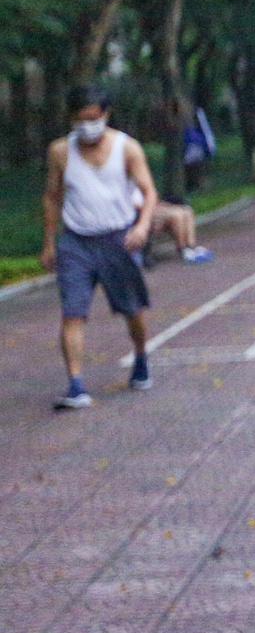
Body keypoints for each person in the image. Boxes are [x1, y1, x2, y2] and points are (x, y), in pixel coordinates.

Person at [41, 85, 159, 409]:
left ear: (105, 115)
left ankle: (140, 356)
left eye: (93, 118)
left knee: (132, 310)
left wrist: (142, 226)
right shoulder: (60, 151)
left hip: (117, 239)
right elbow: (52, 197)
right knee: (72, 313)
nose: (87, 125)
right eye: (80, 119)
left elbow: (149, 192)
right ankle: (76, 385)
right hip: (75, 241)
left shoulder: (128, 148)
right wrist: (49, 242)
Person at [142, 195, 213, 263]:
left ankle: (191, 246)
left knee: (187, 210)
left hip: (156, 208)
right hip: (146, 213)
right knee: (177, 215)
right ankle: (183, 249)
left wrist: (161, 204)